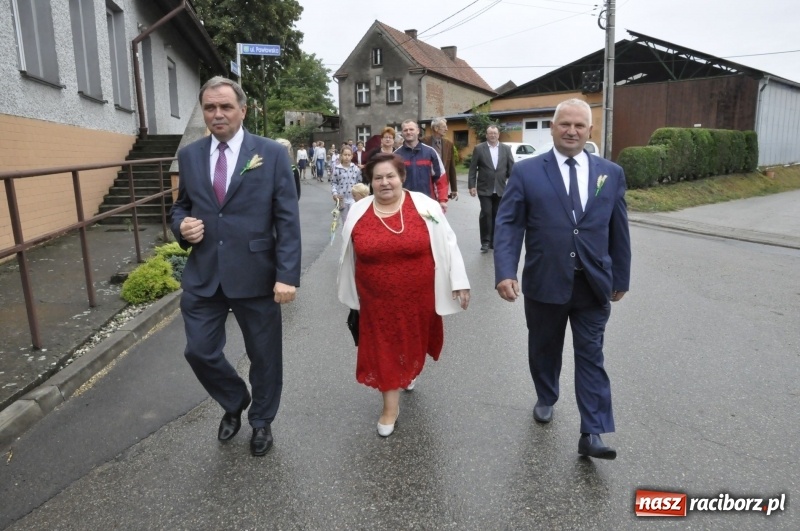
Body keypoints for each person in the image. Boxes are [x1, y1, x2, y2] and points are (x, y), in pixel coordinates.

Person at [493, 98, 631, 460]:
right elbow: (509, 224)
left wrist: (621, 276)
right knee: (544, 347)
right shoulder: (527, 172)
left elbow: (619, 228)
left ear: (589, 131)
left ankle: (593, 431)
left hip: (593, 284)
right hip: (545, 281)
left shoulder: (610, 173)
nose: (572, 131)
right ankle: (546, 394)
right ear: (553, 128)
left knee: (591, 355)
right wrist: (505, 271)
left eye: (579, 125)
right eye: (565, 124)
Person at [170, 76, 301, 457]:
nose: (218, 114)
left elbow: (287, 219)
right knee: (199, 351)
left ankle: (261, 421)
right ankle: (234, 400)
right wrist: (181, 226)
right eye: (210, 107)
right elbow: (181, 206)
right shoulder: (190, 156)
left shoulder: (270, 154)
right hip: (204, 274)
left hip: (257, 273)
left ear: (243, 110)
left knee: (264, 356)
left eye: (226, 106)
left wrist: (286, 276)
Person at [337, 153, 470, 437]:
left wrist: (459, 281)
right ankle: (390, 408)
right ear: (370, 182)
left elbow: (448, 243)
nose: (385, 182)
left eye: (390, 176)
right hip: (376, 299)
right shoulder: (358, 211)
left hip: (419, 296)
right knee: (384, 347)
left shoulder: (424, 206)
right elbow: (347, 253)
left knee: (412, 341)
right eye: (378, 178)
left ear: (402, 178)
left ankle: (407, 370)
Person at [468, 125, 515, 253]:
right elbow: (473, 169)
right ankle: (485, 241)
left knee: (497, 215)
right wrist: (472, 185)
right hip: (484, 188)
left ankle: (494, 241)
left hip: (500, 188)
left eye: (495, 133)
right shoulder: (479, 148)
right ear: (486, 135)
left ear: (498, 134)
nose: (492, 135)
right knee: (486, 213)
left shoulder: (506, 149)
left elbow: (511, 169)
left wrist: (513, 186)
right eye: (490, 133)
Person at [395, 120, 449, 212]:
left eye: (411, 129)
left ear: (418, 131)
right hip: (404, 204)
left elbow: (440, 178)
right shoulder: (395, 156)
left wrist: (442, 200)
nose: (408, 132)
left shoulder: (430, 152)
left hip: (428, 202)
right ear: (402, 133)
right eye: (405, 130)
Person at [421, 117, 459, 201]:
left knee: (441, 206)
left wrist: (454, 189)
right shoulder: (423, 142)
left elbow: (451, 167)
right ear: (436, 128)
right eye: (444, 127)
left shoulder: (448, 144)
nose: (447, 129)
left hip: (442, 183)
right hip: (426, 183)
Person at [331, 145, 362, 221]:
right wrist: (335, 194)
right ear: (341, 155)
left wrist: (359, 195)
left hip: (353, 199)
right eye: (345, 155)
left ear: (352, 156)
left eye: (349, 155)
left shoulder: (356, 169)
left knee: (353, 220)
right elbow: (334, 183)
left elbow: (359, 182)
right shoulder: (337, 169)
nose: (347, 157)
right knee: (345, 221)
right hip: (342, 199)